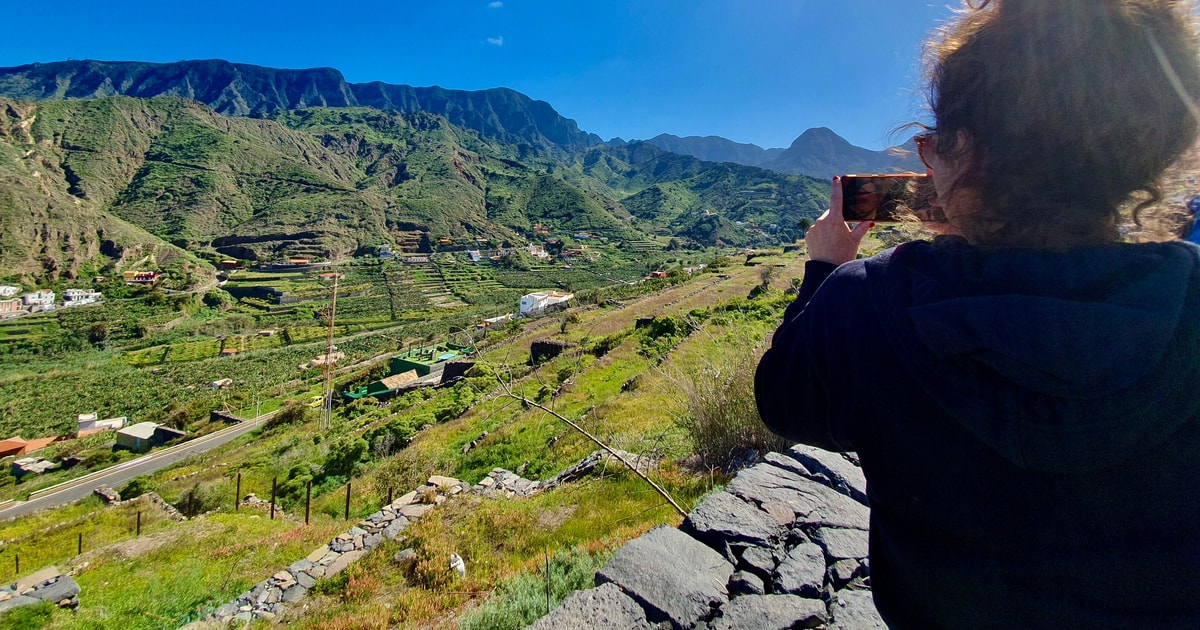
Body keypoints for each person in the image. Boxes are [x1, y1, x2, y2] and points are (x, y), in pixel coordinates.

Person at [755, 1, 1200, 628]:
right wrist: (982, 214)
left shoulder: (863, 303)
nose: (925, 164)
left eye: (934, 148)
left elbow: (783, 401)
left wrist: (824, 270)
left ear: (970, 154)